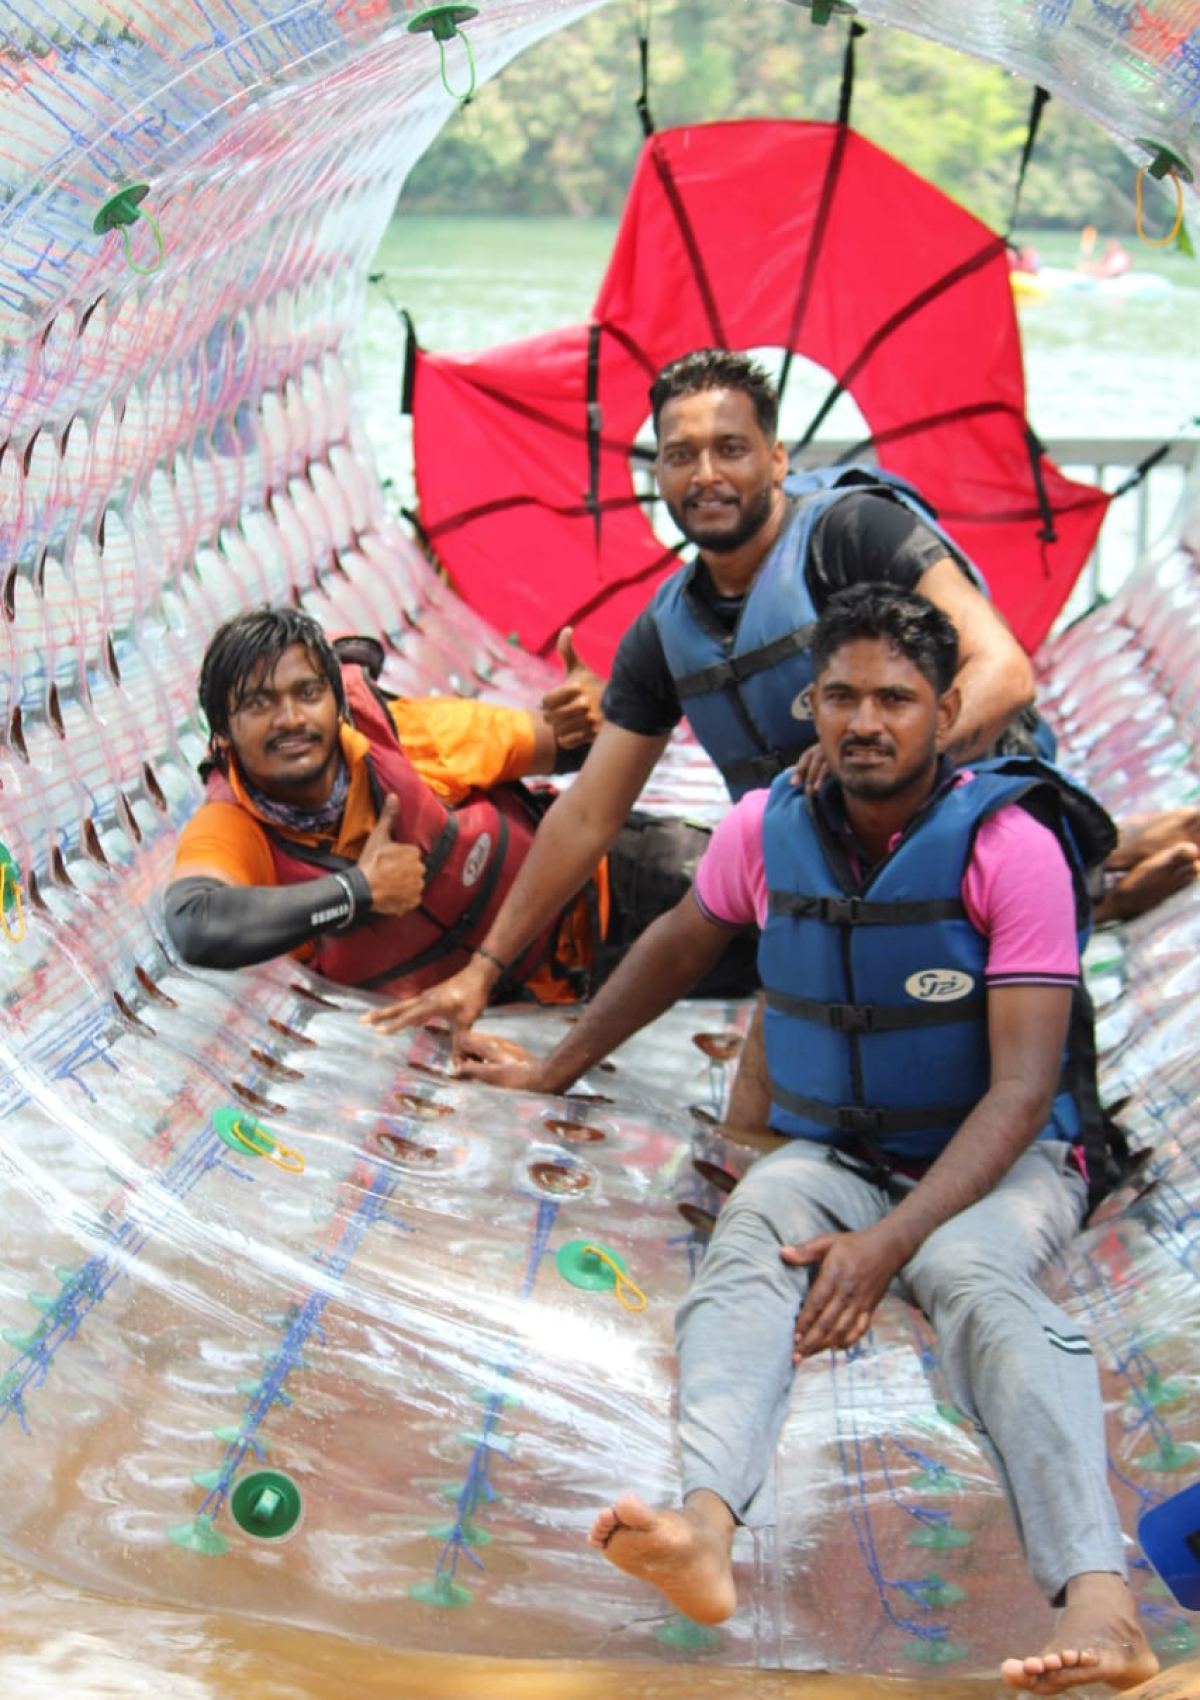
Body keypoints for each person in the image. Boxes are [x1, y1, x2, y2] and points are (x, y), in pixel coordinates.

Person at [460, 586, 1156, 1695]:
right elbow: (677, 950)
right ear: (810, 706)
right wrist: (553, 1065)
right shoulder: (765, 829)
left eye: (895, 697)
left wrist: (889, 1245)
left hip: (1006, 1157)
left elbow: (1024, 1091)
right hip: (841, 1154)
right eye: (841, 695)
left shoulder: (1009, 846)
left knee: (973, 1278)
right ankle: (701, 1530)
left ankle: (1102, 1602)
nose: (865, 720)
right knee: (750, 1234)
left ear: (946, 708)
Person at [364, 346, 1037, 1040]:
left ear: (776, 460)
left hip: (967, 856)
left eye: (731, 449)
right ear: (658, 472)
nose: (706, 475)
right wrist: (481, 972)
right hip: (823, 889)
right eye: (681, 455)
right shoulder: (665, 632)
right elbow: (590, 813)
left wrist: (861, 777)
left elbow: (1004, 672)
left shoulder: (855, 536)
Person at [163, 608, 757, 1002]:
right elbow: (196, 926)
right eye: (259, 704)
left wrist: (601, 710)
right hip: (563, 991)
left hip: (610, 878)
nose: (291, 719)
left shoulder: (410, 735)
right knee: (775, 974)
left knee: (795, 909)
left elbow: (571, 748)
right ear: (223, 736)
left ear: (338, 704)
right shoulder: (231, 827)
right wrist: (357, 892)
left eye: (307, 693)